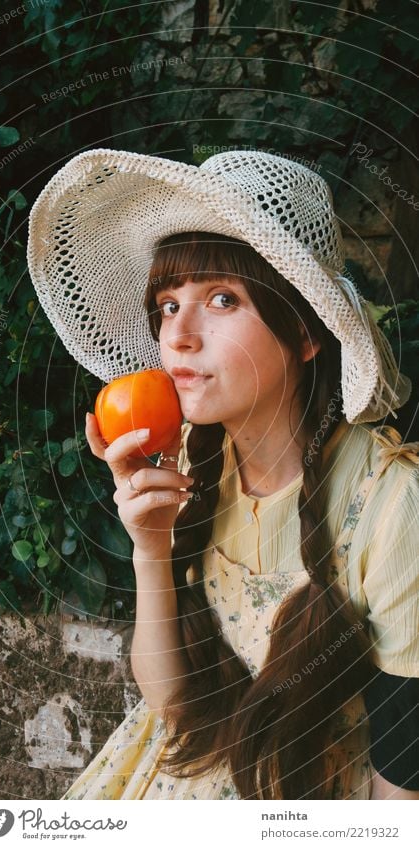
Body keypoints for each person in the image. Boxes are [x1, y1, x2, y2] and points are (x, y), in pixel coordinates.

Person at [27, 148, 419, 800]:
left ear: (304, 330)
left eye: (220, 297)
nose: (177, 334)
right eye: (167, 302)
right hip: (203, 760)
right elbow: (174, 703)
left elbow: (403, 796)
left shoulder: (394, 511)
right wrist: (149, 551)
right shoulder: (190, 458)